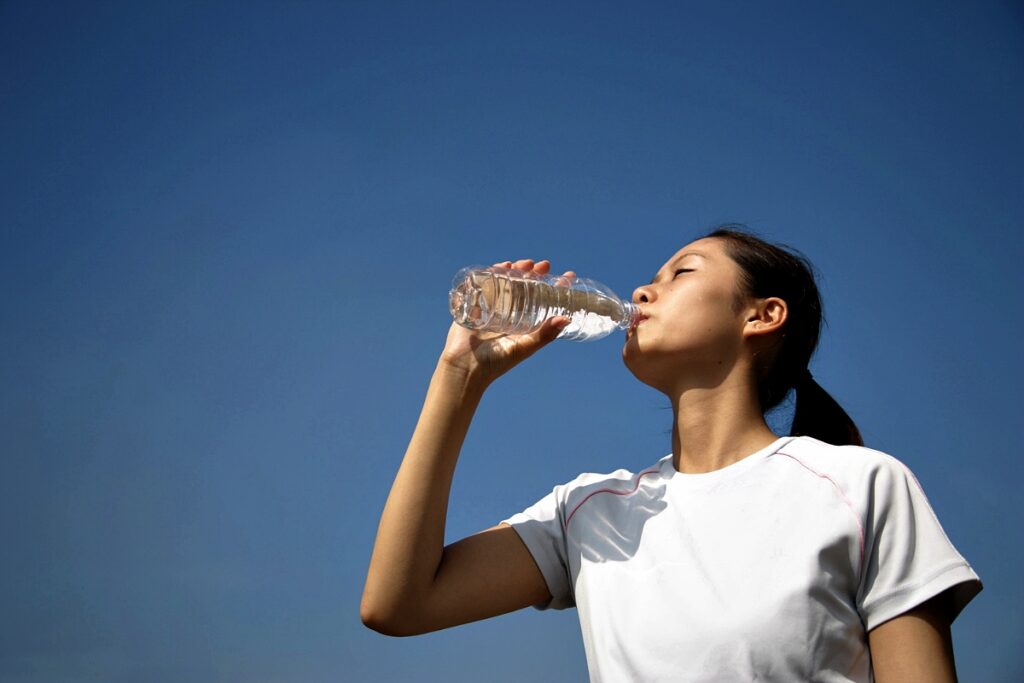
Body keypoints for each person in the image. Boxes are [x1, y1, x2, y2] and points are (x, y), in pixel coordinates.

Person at [361, 228, 982, 682]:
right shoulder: (588, 513)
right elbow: (398, 604)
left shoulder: (858, 484)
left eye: (680, 273)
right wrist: (459, 377)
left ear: (762, 316)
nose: (641, 290)